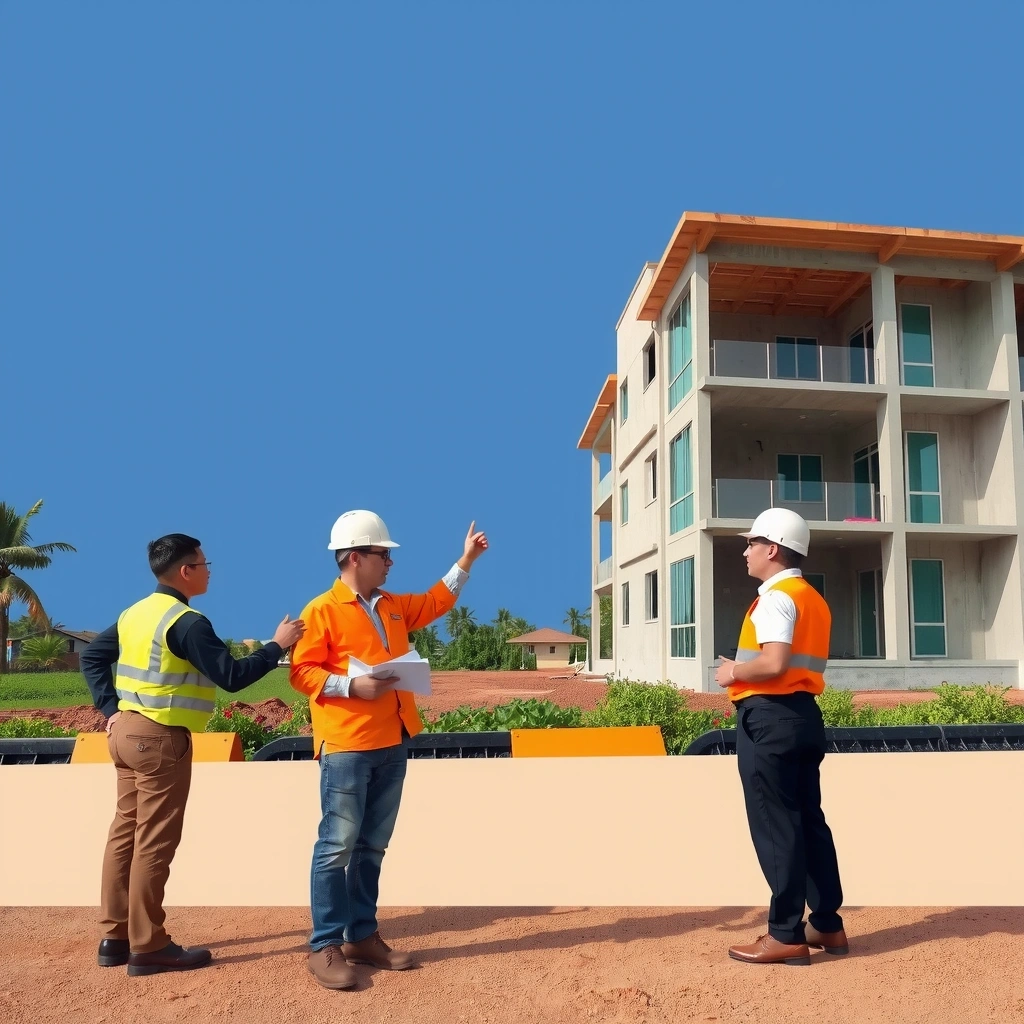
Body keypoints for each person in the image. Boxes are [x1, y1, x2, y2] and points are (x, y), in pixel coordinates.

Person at [81, 533, 305, 975]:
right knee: (154, 842)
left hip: (125, 733)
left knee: (124, 833)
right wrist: (278, 644)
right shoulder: (186, 621)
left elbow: (92, 657)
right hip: (160, 739)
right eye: (203, 564)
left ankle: (115, 937)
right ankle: (149, 946)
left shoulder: (135, 613)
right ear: (185, 571)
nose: (209, 570)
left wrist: (109, 710)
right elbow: (233, 677)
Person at [290, 510, 488, 991]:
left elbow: (436, 601)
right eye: (383, 554)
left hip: (393, 739)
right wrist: (351, 686)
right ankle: (324, 945)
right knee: (336, 846)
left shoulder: (393, 605)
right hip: (347, 744)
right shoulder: (321, 611)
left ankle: (361, 936)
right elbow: (302, 672)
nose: (390, 563)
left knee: (372, 845)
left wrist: (466, 559)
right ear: (355, 557)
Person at [713, 508, 847, 966]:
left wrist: (732, 671)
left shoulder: (774, 598)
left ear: (772, 548)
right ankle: (826, 924)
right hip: (803, 717)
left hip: (768, 719)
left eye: (751, 543)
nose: (746, 551)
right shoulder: (812, 598)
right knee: (809, 821)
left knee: (777, 826)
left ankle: (785, 933)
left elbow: (773, 663)